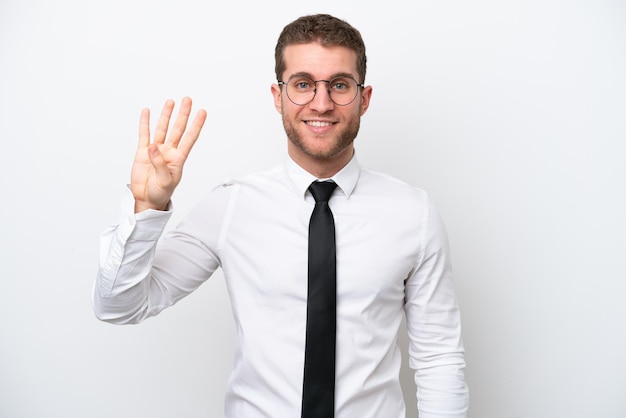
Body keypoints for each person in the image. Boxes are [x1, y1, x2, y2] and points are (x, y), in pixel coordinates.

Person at [93, 13, 469, 418]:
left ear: (364, 97)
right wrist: (146, 209)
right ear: (278, 96)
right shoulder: (232, 206)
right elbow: (119, 306)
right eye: (303, 84)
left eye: (339, 85)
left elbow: (439, 359)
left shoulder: (414, 214)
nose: (321, 103)